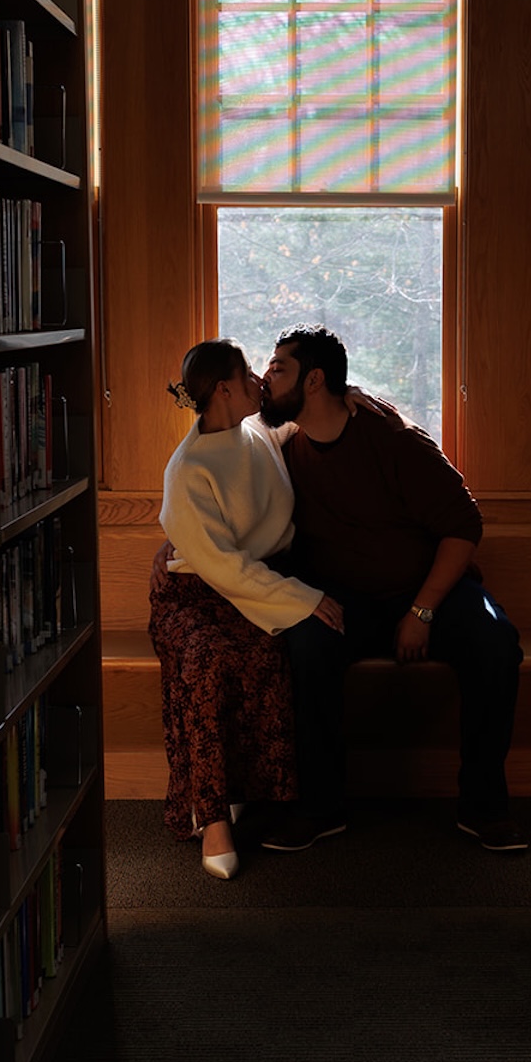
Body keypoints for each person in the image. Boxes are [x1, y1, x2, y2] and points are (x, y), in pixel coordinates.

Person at [255, 324, 527, 854]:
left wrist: (422, 612)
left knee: (498, 646)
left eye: (278, 368)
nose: (267, 378)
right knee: (304, 648)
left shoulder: (394, 439)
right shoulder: (282, 446)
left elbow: (463, 525)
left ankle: (484, 807)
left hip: (429, 593)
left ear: (314, 381)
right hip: (346, 600)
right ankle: (320, 808)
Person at [150, 339, 344, 880]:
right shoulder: (187, 469)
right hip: (193, 595)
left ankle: (241, 791)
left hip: (247, 588)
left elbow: (290, 428)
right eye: (250, 373)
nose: (261, 379)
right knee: (206, 664)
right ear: (223, 390)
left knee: (266, 656)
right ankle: (211, 817)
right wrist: (307, 600)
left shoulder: (255, 431)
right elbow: (222, 568)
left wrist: (354, 396)